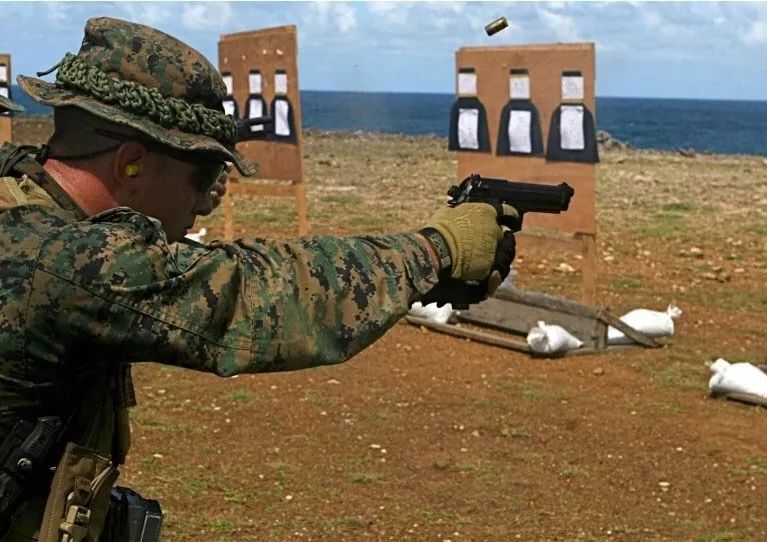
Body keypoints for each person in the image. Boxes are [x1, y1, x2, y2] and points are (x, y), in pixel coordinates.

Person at [0, 17, 516, 542]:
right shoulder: (65, 262)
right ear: (130, 163)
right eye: (202, 177)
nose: (207, 201)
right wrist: (436, 250)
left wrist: (174, 188)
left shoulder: (19, 201)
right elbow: (256, 294)